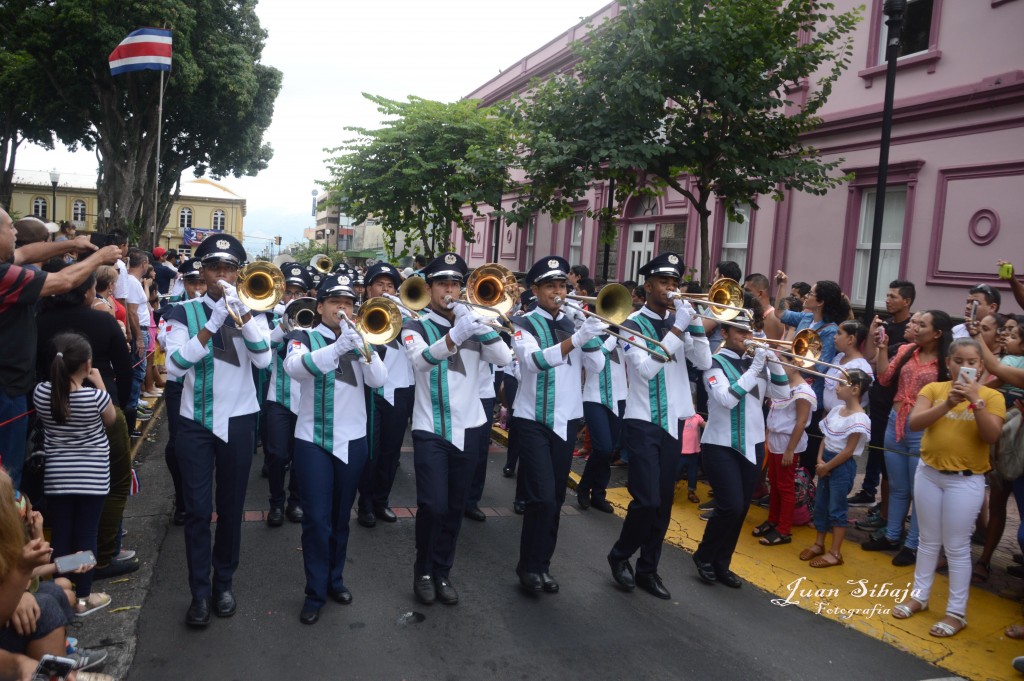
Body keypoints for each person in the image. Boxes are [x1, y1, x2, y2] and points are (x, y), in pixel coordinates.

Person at [163, 234, 272, 628]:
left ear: (238, 273)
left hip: (239, 419)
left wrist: (244, 318)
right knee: (196, 510)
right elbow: (174, 366)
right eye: (214, 268)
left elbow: (264, 361)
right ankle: (199, 592)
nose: (221, 274)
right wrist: (210, 326)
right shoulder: (182, 312)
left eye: (228, 268)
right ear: (203, 271)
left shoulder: (254, 309)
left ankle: (223, 583)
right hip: (195, 420)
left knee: (230, 507)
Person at [401, 253, 512, 605]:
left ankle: (443, 571)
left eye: (454, 284)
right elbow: (420, 361)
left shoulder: (473, 321)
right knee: (432, 505)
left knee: (453, 507)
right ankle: (423, 570)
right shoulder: (415, 326)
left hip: (471, 426)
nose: (449, 290)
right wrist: (455, 335)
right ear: (429, 288)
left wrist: (477, 325)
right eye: (442, 284)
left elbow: (505, 358)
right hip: (431, 427)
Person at [283, 273, 387, 624]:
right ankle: (314, 591)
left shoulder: (362, 336)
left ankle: (334, 580)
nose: (342, 309)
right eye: (334, 303)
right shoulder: (303, 336)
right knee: (316, 519)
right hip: (313, 439)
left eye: (348, 303)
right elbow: (294, 368)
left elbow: (379, 380)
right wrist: (338, 347)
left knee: (342, 517)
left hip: (352, 439)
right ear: (320, 306)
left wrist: (363, 348)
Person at [607, 252, 711, 599]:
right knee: (647, 500)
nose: (670, 288)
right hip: (643, 421)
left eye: (674, 282)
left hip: (675, 421)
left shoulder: (679, 321)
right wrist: (678, 327)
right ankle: (620, 555)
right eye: (663, 282)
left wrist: (693, 324)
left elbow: (704, 361)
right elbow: (645, 370)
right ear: (648, 286)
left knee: (663, 504)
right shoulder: (632, 324)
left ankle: (648, 569)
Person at [0, 208, 120, 489]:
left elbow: (25, 253)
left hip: (12, 384)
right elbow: (64, 281)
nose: (16, 233)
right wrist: (98, 258)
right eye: (10, 227)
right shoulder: (4, 275)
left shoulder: (8, 263)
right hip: (7, 387)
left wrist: (72, 244)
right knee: (8, 472)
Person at [893, 338, 1005, 638]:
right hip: (929, 473)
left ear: (981, 366)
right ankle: (919, 596)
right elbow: (915, 423)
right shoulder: (935, 390)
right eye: (958, 361)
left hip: (965, 480)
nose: (964, 367)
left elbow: (992, 436)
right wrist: (948, 404)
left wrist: (976, 402)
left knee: (956, 547)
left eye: (972, 362)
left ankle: (956, 613)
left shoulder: (992, 396)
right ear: (948, 363)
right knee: (928, 540)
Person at [509, 256, 607, 593]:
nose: (558, 292)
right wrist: (577, 339)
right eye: (550, 286)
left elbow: (597, 365)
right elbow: (534, 362)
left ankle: (542, 566)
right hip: (533, 419)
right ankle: (528, 567)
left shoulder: (573, 322)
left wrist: (587, 332)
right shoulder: (523, 323)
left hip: (566, 420)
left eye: (562, 286)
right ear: (535, 290)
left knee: (555, 498)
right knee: (540, 497)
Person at [693, 303, 787, 588]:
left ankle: (722, 563)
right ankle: (704, 555)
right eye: (740, 332)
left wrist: (773, 361)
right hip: (721, 445)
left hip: (753, 444)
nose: (746, 336)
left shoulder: (753, 363)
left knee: (742, 508)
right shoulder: (713, 363)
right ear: (725, 332)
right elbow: (726, 399)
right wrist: (756, 367)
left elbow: (782, 393)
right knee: (730, 506)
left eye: (750, 331)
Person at [33, 332, 117, 616]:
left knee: (62, 535)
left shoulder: (41, 393)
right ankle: (83, 597)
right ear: (87, 364)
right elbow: (112, 420)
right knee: (86, 535)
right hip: (93, 478)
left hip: (58, 478)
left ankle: (62, 593)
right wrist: (100, 381)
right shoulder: (96, 397)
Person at [862, 310, 953, 567]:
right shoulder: (906, 350)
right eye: (917, 323)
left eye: (923, 325)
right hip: (895, 423)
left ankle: (913, 545)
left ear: (937, 333)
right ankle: (892, 535)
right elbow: (883, 378)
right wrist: (882, 349)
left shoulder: (947, 362)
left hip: (924, 430)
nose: (916, 328)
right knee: (898, 485)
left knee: (919, 491)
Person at [356, 262, 415, 528]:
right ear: (368, 289)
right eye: (379, 284)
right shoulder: (358, 316)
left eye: (390, 285)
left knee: (391, 451)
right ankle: (365, 504)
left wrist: (406, 311)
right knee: (371, 450)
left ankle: (382, 501)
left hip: (399, 388)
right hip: (370, 390)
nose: (385, 289)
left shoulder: (407, 317)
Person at [849, 280, 915, 508]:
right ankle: (869, 490)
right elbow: (871, 358)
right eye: (887, 295)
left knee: (891, 455)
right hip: (879, 396)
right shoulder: (885, 326)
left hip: (897, 401)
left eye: (893, 296)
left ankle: (888, 505)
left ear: (906, 301)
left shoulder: (910, 331)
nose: (887, 300)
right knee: (875, 446)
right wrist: (871, 332)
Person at [772, 274, 848, 471]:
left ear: (820, 302)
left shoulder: (830, 331)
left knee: (805, 449)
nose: (806, 296)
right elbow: (780, 313)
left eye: (811, 293)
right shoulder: (806, 317)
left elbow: (820, 369)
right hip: (792, 387)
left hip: (810, 393)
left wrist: (792, 357)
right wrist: (782, 286)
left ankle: (802, 484)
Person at [799, 369, 872, 568]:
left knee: (837, 509)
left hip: (841, 465)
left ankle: (835, 552)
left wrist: (826, 466)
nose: (836, 387)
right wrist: (820, 459)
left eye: (840, 383)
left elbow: (848, 450)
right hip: (826, 462)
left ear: (855, 389)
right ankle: (819, 543)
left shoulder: (860, 419)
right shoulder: (836, 410)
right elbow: (826, 438)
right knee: (821, 505)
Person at [156, 258, 205, 525]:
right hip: (179, 383)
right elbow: (164, 339)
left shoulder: (218, 307)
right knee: (177, 442)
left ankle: (198, 494)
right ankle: (182, 498)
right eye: (192, 282)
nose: (197, 287)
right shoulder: (173, 308)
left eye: (201, 282)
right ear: (184, 282)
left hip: (206, 381)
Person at [263, 263, 311, 528]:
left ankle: (296, 501)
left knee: (301, 456)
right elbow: (265, 347)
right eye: (288, 292)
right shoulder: (272, 318)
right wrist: (283, 325)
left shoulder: (313, 320)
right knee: (277, 455)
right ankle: (276, 503)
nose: (293, 298)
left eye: (298, 293)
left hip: (306, 399)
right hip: (278, 397)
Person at [755, 362, 816, 547]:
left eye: (781, 363)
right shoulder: (783, 385)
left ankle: (784, 529)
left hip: (787, 442)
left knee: (785, 486)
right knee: (774, 482)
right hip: (775, 439)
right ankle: (773, 520)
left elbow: (801, 421)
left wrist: (790, 449)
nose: (777, 368)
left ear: (795, 365)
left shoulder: (803, 391)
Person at [577, 303, 628, 513]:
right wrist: (614, 335)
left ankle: (598, 494)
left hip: (620, 397)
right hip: (594, 397)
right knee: (602, 448)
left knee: (609, 450)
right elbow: (597, 359)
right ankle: (584, 487)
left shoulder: (623, 335)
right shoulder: (589, 335)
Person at [743, 274, 784, 340]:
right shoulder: (751, 312)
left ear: (760, 293)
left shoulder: (773, 317)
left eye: (747, 291)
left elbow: (770, 346)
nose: (744, 293)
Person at [677, 413, 705, 504]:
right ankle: (669, 492)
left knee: (693, 474)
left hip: (694, 452)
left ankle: (691, 492)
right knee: (675, 473)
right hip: (680, 452)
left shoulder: (697, 417)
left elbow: (705, 425)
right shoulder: (678, 417)